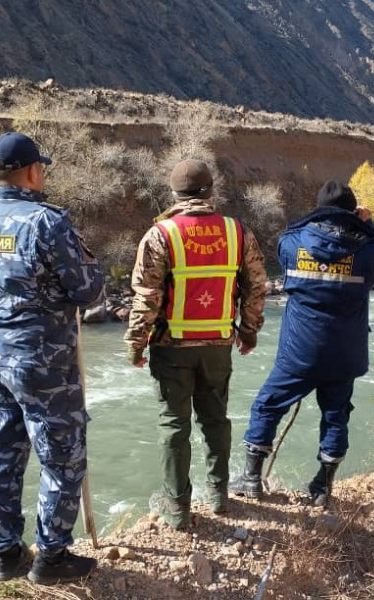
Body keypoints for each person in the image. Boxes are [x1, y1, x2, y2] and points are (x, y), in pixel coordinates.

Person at [0, 132, 105, 585]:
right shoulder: (46, 222)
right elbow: (88, 291)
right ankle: (51, 558)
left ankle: (5, 553)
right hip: (43, 359)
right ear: (33, 172)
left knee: (2, 452)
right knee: (62, 457)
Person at [229, 180, 374, 507]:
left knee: (268, 405)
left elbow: (284, 242)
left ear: (320, 211)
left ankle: (251, 479)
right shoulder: (367, 252)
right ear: (353, 213)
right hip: (345, 353)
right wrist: (369, 225)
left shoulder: (293, 243)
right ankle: (322, 487)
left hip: (300, 351)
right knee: (336, 415)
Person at [125, 159, 267, 530]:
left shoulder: (160, 234)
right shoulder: (238, 233)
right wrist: (248, 332)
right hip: (218, 344)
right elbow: (256, 287)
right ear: (210, 191)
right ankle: (219, 497)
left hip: (171, 348)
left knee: (174, 425)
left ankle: (178, 510)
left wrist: (136, 344)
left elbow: (147, 297)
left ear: (174, 194)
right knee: (216, 419)